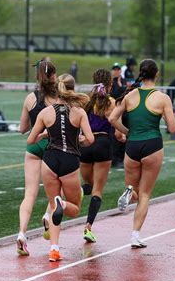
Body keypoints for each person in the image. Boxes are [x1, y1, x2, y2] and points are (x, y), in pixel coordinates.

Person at [109, 59, 175, 248]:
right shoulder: (162, 98)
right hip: (152, 145)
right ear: (156, 75)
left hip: (132, 146)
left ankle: (129, 191)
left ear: (141, 73)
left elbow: (112, 118)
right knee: (146, 194)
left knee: (135, 190)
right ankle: (135, 236)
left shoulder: (129, 96)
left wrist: (126, 132)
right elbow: (172, 127)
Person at [27, 74, 94, 262]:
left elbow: (30, 140)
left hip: (49, 161)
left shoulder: (46, 112)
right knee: (73, 209)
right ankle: (62, 204)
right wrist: (77, 140)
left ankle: (54, 250)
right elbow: (90, 139)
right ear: (73, 88)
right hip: (69, 160)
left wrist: (43, 135)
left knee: (52, 205)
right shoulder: (79, 112)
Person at [17, 60, 59, 256]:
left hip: (34, 147)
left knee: (29, 194)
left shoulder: (30, 98)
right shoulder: (59, 98)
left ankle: (22, 233)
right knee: (58, 191)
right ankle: (48, 214)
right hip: (52, 145)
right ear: (53, 76)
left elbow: (22, 129)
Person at [79, 69, 118, 243]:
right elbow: (116, 128)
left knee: (88, 185)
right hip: (103, 144)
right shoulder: (111, 102)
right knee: (97, 190)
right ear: (110, 84)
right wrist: (124, 135)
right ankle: (88, 227)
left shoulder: (86, 101)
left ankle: (77, 192)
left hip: (86, 144)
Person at [110, 62, 127, 168]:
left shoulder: (124, 82)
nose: (116, 71)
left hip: (123, 112)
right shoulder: (110, 83)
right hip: (113, 112)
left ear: (120, 71)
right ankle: (114, 158)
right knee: (114, 136)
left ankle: (121, 158)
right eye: (114, 69)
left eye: (118, 69)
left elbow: (126, 94)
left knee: (122, 136)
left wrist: (121, 86)